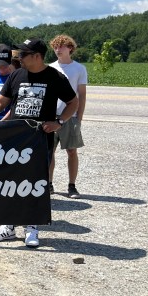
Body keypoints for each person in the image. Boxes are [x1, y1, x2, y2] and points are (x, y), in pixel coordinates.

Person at [0, 38, 78, 248]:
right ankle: (7, 226)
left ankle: (31, 227)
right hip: (14, 140)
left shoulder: (55, 77)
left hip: (37, 141)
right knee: (9, 181)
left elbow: (73, 102)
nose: (18, 58)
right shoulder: (17, 75)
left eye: (23, 54)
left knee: (34, 184)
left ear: (37, 56)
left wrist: (59, 122)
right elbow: (1, 103)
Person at [49, 35, 87, 198]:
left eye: (62, 46)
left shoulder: (79, 69)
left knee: (72, 151)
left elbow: (82, 95)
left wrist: (79, 117)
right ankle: (48, 184)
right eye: (56, 47)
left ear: (70, 48)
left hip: (70, 116)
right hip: (51, 115)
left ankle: (72, 186)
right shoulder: (50, 68)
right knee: (49, 152)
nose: (58, 49)